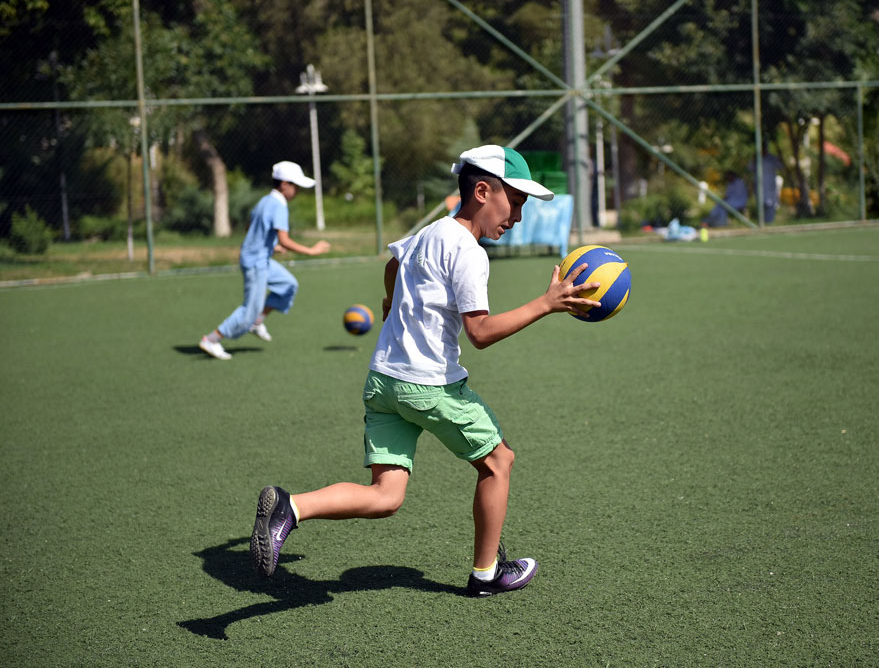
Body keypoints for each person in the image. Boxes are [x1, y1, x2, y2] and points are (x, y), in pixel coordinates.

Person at [249, 145, 600, 596]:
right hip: (428, 386)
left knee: (386, 496)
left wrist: (390, 303)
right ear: (481, 191)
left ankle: (290, 507)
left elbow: (393, 264)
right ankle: (486, 574)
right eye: (514, 202)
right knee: (499, 461)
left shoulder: (429, 232)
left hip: (383, 380)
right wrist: (546, 304)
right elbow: (480, 333)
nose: (517, 217)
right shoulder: (470, 252)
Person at [198, 161, 330, 360]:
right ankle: (211, 339)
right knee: (248, 310)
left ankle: (256, 322)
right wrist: (311, 251)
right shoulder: (279, 205)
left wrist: (271, 246)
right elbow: (285, 239)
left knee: (288, 285)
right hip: (256, 263)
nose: (297, 191)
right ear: (284, 184)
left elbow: (251, 227)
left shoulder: (265, 201)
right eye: (295, 186)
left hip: (259, 259)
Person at [749, 146, 785, 224]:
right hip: (759, 184)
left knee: (770, 204)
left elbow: (780, 166)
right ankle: (761, 222)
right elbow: (750, 168)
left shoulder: (772, 158)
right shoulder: (757, 158)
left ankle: (770, 222)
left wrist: (780, 157)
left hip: (770, 184)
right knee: (761, 203)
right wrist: (753, 159)